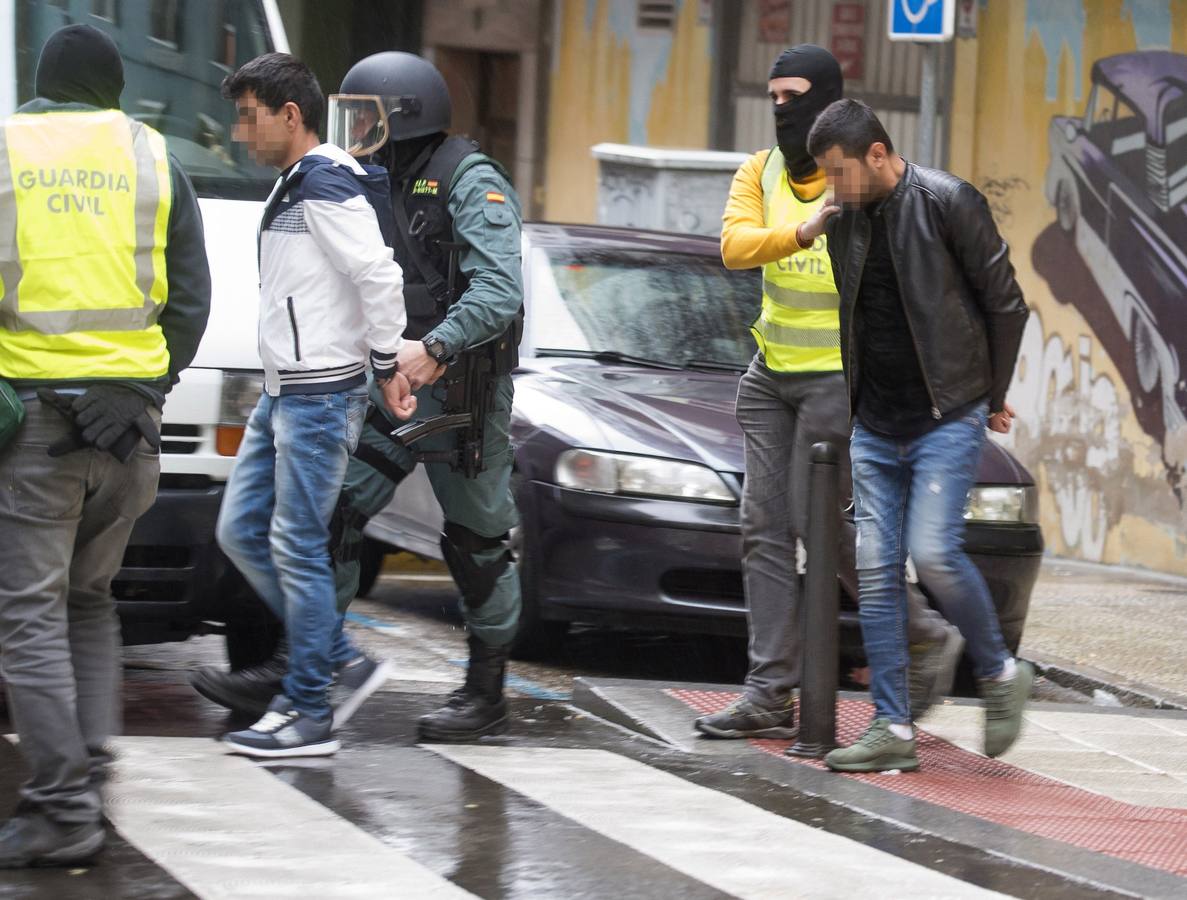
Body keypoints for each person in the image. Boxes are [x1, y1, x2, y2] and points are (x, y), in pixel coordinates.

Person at [694, 45, 960, 742]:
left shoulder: (865, 180)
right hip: (769, 374)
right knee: (762, 530)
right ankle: (768, 691)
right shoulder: (758, 171)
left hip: (839, 382)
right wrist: (805, 228)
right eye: (773, 96)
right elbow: (733, 247)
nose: (781, 109)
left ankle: (924, 633)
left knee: (828, 531)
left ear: (830, 100)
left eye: (795, 96)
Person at [0, 25, 211, 867]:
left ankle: (60, 809)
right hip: (132, 440)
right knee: (89, 601)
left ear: (42, 85)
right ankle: (86, 768)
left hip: (36, 432)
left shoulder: (7, 147)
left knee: (28, 614)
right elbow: (190, 300)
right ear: (112, 90)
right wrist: (141, 393)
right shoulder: (154, 156)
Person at [798, 99, 1033, 772]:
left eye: (838, 172)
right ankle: (891, 729)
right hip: (874, 422)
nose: (833, 188)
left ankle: (996, 673)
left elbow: (1004, 302)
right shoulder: (841, 221)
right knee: (875, 574)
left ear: (877, 155)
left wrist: (991, 396)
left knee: (931, 554)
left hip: (945, 416)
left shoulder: (946, 201)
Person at [212, 53, 413, 759]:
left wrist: (387, 363)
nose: (243, 132)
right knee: (242, 532)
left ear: (290, 115)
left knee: (296, 547)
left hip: (320, 396)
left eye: (250, 116)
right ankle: (340, 660)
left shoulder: (326, 184)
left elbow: (378, 275)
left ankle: (308, 711)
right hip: (282, 393)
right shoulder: (298, 182)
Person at [323, 51, 525, 742]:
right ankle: (307, 669)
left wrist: (436, 347)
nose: (350, 128)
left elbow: (498, 290)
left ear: (402, 117)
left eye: (363, 115)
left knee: (475, 542)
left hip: (463, 392)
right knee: (337, 511)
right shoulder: (375, 179)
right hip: (396, 384)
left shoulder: (470, 180)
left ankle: (486, 694)